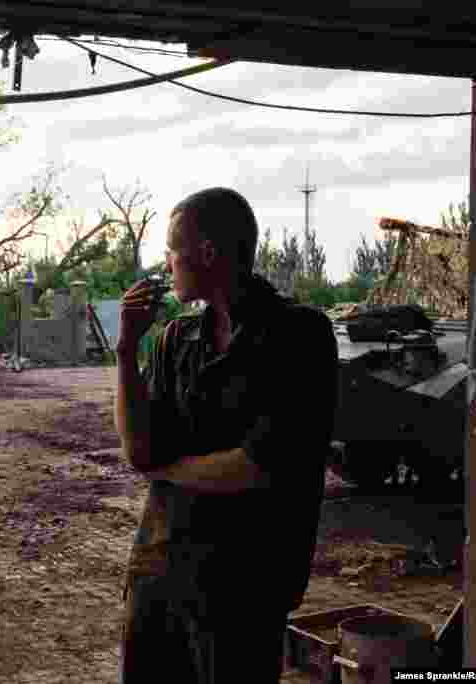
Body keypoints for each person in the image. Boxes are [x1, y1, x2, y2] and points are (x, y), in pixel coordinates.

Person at [114, 187, 338, 682]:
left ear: (207, 253)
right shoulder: (177, 338)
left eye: (173, 250)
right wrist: (127, 351)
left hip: (244, 586)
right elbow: (139, 450)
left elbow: (259, 467)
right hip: (160, 570)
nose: (167, 262)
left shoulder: (299, 336)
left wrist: (166, 470)